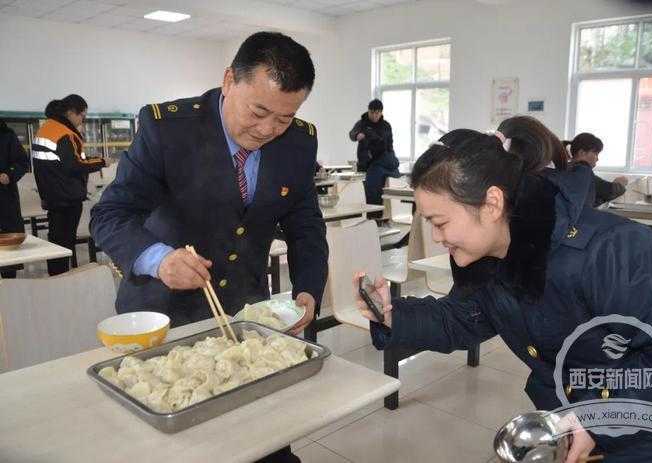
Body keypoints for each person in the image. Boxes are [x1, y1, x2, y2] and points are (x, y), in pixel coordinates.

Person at [353, 117, 652, 462]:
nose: (438, 238)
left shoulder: (611, 251)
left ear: (491, 204)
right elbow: (459, 319)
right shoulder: (491, 259)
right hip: (581, 424)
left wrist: (596, 417)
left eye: (440, 223)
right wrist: (391, 314)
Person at [91, 32, 328, 333]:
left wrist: (308, 289)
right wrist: (159, 259)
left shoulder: (298, 143)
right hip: (163, 314)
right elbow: (110, 214)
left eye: (284, 119)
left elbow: (305, 225)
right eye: (258, 112)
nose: (268, 129)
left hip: (246, 311)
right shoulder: (167, 131)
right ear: (229, 80)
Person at [32, 94, 105, 276]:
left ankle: (57, 276)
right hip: (66, 196)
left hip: (52, 194)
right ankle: (61, 279)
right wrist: (102, 161)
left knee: (56, 241)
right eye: (82, 115)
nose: (83, 120)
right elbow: (74, 166)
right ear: (71, 112)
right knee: (64, 241)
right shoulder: (64, 133)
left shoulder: (46, 129)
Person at [349, 99, 400, 207]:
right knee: (369, 188)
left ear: (381, 112)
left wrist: (390, 157)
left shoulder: (386, 126)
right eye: (371, 112)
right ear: (368, 111)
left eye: (377, 113)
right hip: (365, 162)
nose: (374, 116)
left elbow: (390, 145)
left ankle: (382, 210)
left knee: (386, 183)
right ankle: (372, 211)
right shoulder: (362, 123)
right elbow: (352, 134)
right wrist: (357, 135)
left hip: (382, 159)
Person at [0, 119, 30, 278]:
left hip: (4, 199)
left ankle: (9, 287)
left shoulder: (6, 135)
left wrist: (9, 174)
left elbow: (22, 162)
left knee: (8, 254)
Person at [564, 132, 628, 207]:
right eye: (596, 154)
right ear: (582, 153)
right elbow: (610, 191)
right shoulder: (581, 172)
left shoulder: (566, 168)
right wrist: (620, 183)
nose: (597, 159)